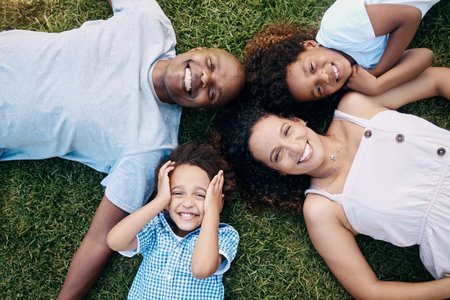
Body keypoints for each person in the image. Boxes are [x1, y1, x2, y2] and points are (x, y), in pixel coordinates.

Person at [0, 0, 244, 298]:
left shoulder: (152, 146)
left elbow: (101, 239)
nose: (206, 77)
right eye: (211, 64)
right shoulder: (149, 23)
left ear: (204, 109)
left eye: (213, 92)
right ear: (197, 51)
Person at [220, 67, 450, 298]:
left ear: (297, 120)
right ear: (278, 172)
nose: (295, 147)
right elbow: (370, 291)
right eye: (277, 155)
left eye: (287, 131)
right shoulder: (322, 209)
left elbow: (436, 80)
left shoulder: (355, 107)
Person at [244, 0, 440, 111]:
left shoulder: (337, 30)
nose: (324, 76)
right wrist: (378, 84)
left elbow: (410, 16)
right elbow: (424, 56)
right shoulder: (360, 71)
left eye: (312, 68)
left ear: (309, 45)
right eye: (319, 88)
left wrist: (378, 73)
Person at [107, 142, 239, 299]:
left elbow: (201, 269)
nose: (188, 203)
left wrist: (212, 212)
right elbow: (115, 241)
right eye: (177, 193)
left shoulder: (223, 235)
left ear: (218, 202)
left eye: (200, 195)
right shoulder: (157, 228)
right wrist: (159, 201)